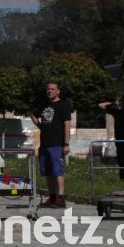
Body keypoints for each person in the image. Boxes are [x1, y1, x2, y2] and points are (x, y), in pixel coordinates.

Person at [31, 81, 72, 209]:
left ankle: (61, 198)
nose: (50, 91)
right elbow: (33, 114)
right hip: (45, 144)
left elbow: (67, 125)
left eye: (53, 89)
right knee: (47, 172)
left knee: (57, 171)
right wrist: (40, 125)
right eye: (48, 89)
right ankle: (52, 196)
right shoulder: (44, 105)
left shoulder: (63, 105)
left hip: (57, 143)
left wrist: (66, 143)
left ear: (58, 91)